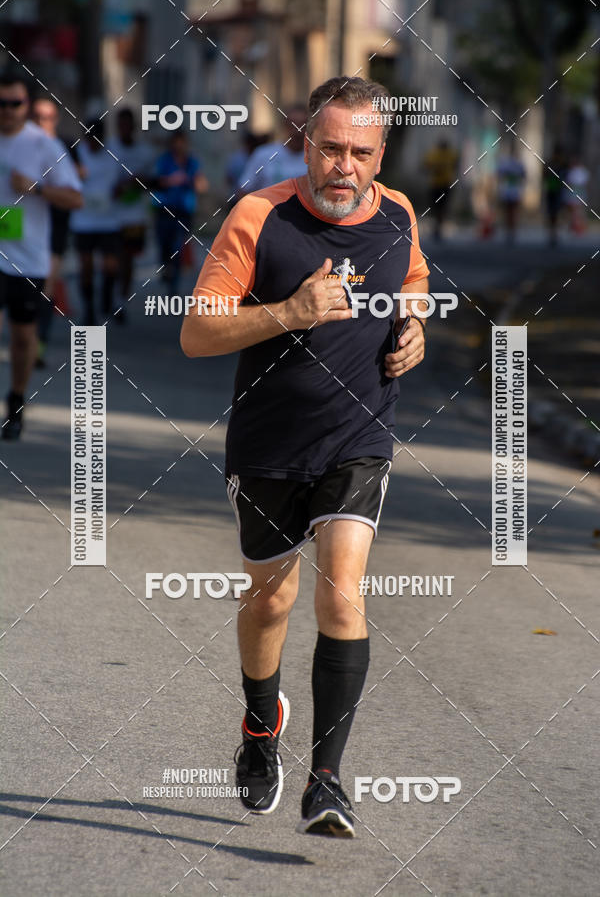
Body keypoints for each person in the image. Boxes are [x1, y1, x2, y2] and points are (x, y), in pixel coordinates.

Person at [180, 76, 429, 837]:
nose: (343, 166)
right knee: (271, 600)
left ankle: (327, 780)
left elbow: (412, 277)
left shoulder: (399, 215)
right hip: (268, 443)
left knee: (342, 595)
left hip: (358, 438)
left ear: (380, 153)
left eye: (360, 152)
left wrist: (414, 325)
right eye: (329, 148)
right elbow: (196, 332)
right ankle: (261, 728)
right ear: (306, 143)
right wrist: (289, 312)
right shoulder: (261, 217)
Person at [0, 71, 81, 441]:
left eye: (14, 103)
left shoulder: (43, 146)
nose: (7, 111)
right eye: (1, 104)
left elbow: (74, 198)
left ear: (26, 105)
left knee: (21, 338)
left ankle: (16, 400)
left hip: (26, 259)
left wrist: (34, 188)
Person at [31, 97, 74, 366]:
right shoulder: (16, 145)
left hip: (54, 227)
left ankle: (39, 344)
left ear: (55, 120)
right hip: (16, 228)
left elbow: (78, 184)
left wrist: (44, 187)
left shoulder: (65, 147)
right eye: (37, 116)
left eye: (47, 118)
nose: (41, 123)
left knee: (45, 288)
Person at [70, 118, 121, 324]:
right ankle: (89, 309)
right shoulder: (77, 154)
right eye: (88, 139)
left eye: (96, 139)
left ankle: (107, 297)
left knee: (110, 266)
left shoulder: (113, 155)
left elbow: (123, 180)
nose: (92, 144)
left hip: (108, 221)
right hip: (83, 221)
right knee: (86, 267)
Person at [108, 107, 155, 322]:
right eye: (121, 125)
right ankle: (108, 294)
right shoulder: (109, 149)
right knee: (112, 259)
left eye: (129, 125)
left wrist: (139, 182)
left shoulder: (145, 152)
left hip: (135, 216)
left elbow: (154, 180)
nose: (125, 129)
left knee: (127, 259)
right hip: (110, 215)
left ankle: (120, 301)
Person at [153, 131, 208, 291]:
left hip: (183, 212)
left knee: (178, 247)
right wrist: (172, 180)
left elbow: (201, 184)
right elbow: (156, 181)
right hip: (164, 209)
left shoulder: (192, 162)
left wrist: (195, 183)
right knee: (164, 244)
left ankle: (173, 282)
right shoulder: (164, 161)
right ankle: (165, 268)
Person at [238, 106, 308, 193]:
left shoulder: (317, 157)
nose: (297, 131)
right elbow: (244, 189)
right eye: (293, 126)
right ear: (284, 126)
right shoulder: (263, 154)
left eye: (302, 126)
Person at [422, 139, 459, 239]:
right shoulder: (448, 154)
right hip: (442, 184)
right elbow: (456, 164)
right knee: (440, 207)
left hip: (440, 184)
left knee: (438, 207)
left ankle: (438, 227)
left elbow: (425, 166)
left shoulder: (436, 154)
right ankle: (438, 226)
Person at [496, 142, 526, 242]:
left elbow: (499, 174)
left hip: (510, 191)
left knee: (510, 212)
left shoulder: (508, 163)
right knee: (511, 212)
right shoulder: (516, 163)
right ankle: (511, 231)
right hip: (511, 190)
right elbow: (524, 176)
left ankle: (510, 231)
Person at [543, 145, 567, 247]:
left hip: (558, 190)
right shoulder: (551, 163)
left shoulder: (562, 164)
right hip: (551, 190)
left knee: (555, 213)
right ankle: (552, 234)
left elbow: (566, 176)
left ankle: (554, 233)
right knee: (552, 213)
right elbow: (544, 174)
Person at [564, 156, 589, 235]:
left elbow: (571, 182)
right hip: (576, 191)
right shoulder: (579, 171)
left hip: (577, 191)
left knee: (577, 211)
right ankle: (576, 227)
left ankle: (579, 228)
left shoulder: (578, 171)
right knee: (576, 211)